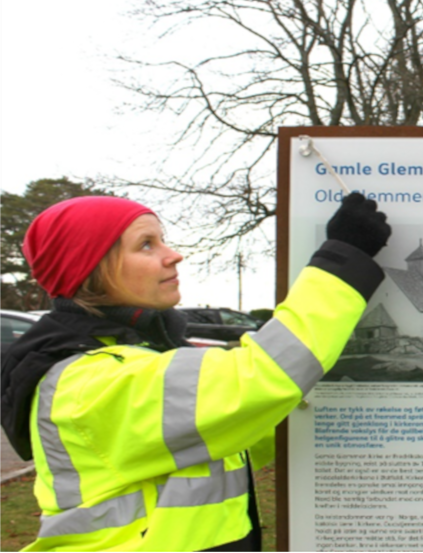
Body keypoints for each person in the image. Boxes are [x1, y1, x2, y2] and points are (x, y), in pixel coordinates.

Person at [0, 193, 390, 552]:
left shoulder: (134, 357)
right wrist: (344, 260)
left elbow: (241, 431)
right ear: (90, 268)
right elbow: (259, 377)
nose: (174, 255)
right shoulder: (89, 381)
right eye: (146, 244)